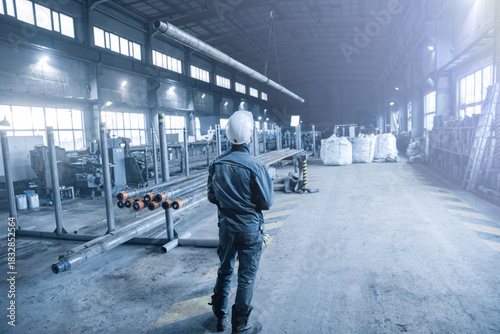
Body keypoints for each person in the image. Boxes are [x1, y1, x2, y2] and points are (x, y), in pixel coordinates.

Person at [207, 110, 274, 333]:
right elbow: (266, 203)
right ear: (251, 136)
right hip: (249, 230)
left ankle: (219, 317)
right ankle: (241, 326)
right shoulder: (257, 166)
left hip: (226, 228)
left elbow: (211, 197)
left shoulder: (217, 164)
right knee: (245, 278)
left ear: (228, 136)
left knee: (224, 271)